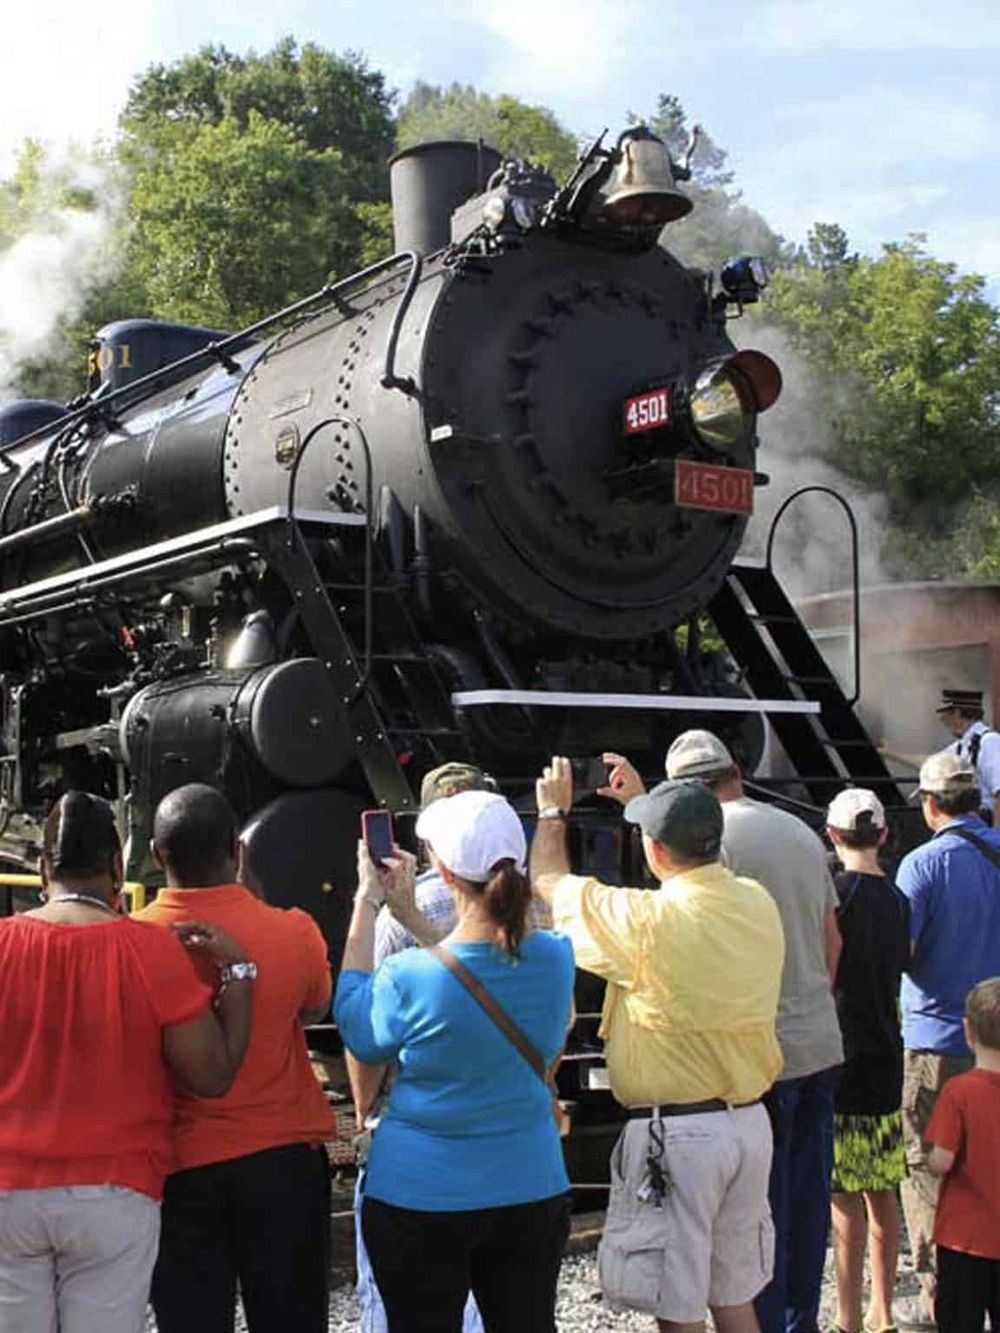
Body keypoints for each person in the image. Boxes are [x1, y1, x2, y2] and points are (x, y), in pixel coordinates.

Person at [531, 756, 784, 1333]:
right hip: (747, 1124)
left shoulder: (645, 924)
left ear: (657, 850)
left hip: (681, 1134)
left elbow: (547, 883)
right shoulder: (754, 903)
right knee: (733, 1296)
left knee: (678, 1306)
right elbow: (683, 894)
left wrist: (552, 812)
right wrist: (648, 811)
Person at [604, 730, 843, 1333]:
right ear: (737, 769)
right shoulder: (798, 831)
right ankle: (801, 1319)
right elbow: (831, 941)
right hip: (820, 1038)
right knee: (805, 1204)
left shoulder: (714, 845)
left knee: (751, 1228)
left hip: (754, 1058)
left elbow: (683, 915)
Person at [0, 790, 252, 1333]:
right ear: (118, 868)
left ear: (42, 868)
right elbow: (212, 1075)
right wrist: (236, 975)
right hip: (115, 1189)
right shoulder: (149, 949)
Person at [336, 789, 574, 1333]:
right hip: (530, 1184)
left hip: (419, 1193)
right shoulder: (556, 958)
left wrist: (367, 903)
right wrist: (416, 921)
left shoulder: (407, 977)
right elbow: (474, 969)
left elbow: (356, 1025)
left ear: (442, 872)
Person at [135, 783, 336, 1333]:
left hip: (177, 1165)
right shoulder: (295, 931)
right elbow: (314, 1009)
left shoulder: (133, 942)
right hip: (282, 1157)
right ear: (239, 850)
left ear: (156, 856)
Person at [346, 762, 490, 1333]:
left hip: (418, 1122)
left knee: (400, 1298)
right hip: (498, 1127)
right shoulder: (534, 912)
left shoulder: (404, 913)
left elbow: (369, 1033)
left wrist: (364, 1113)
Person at [895, 751, 1000, 1329]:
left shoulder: (921, 865)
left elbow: (904, 952)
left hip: (940, 1038)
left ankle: (939, 1292)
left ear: (931, 805)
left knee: (932, 1167)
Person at [825, 788, 911, 1333]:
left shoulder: (837, 895)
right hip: (886, 1050)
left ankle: (848, 1314)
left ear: (832, 836)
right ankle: (884, 1309)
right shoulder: (899, 900)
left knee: (843, 1197)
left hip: (842, 1053)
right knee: (883, 1188)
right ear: (882, 834)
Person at [925, 977, 1000, 1333]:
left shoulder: (959, 1092)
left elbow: (942, 1160)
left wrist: (926, 1159)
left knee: (958, 1321)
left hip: (963, 1238)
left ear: (967, 1030)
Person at [934, 688, 1000, 826]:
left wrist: (996, 837)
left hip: (987, 825)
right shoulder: (962, 746)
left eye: (945, 714)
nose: (942, 720)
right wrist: (890, 752)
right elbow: (932, 764)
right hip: (973, 825)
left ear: (957, 713)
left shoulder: (989, 742)